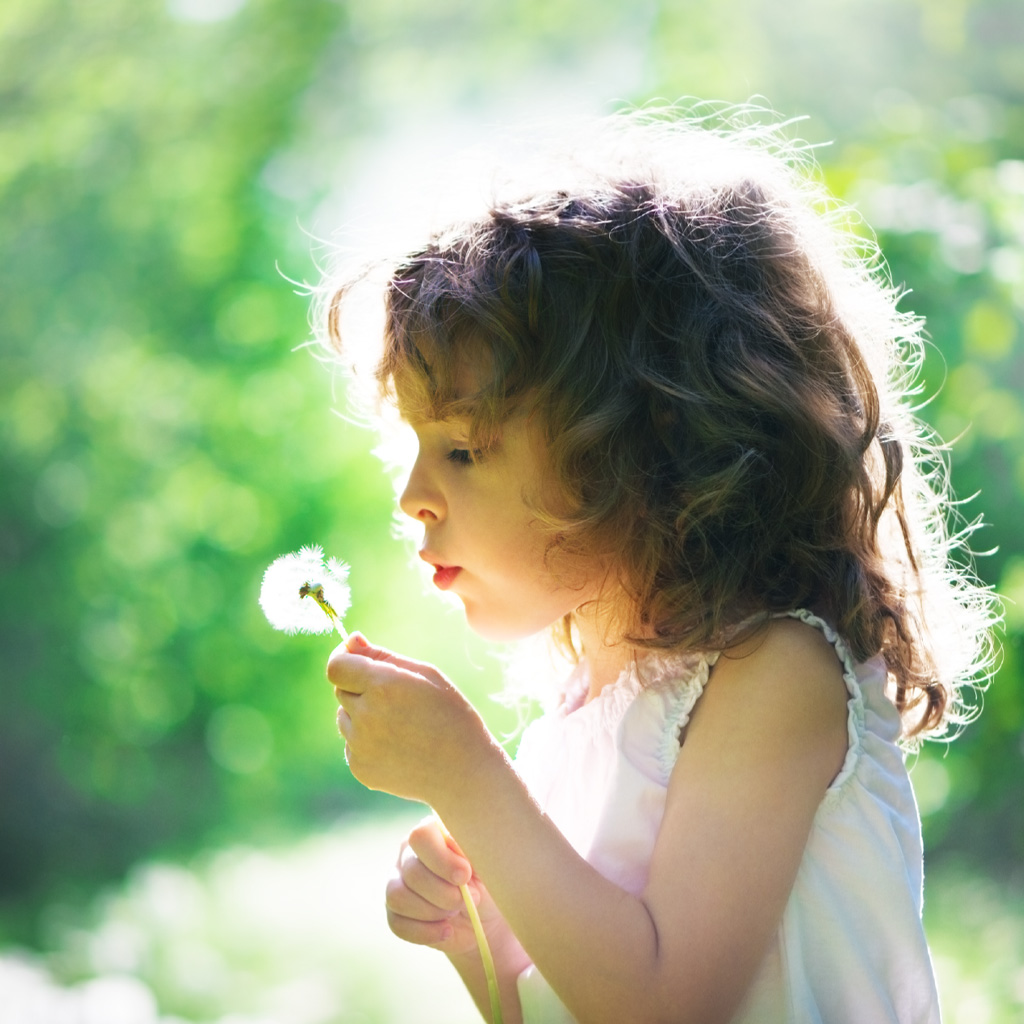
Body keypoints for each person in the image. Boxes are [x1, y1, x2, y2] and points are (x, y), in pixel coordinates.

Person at [319, 108, 996, 1024]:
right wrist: (480, 938)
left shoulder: (774, 674)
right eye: (413, 447)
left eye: (464, 450)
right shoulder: (586, 709)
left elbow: (666, 1004)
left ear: (645, 445)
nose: (412, 498)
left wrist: (469, 779)